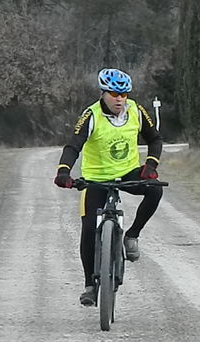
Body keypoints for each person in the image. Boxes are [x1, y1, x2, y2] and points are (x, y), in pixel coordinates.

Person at [54, 68, 164, 306]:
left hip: (128, 172)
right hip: (96, 178)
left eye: (123, 95)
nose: (120, 99)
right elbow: (74, 146)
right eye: (114, 94)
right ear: (103, 93)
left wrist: (151, 165)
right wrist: (64, 171)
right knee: (88, 227)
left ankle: (132, 235)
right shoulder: (91, 115)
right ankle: (90, 287)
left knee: (155, 189)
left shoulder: (135, 110)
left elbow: (155, 139)